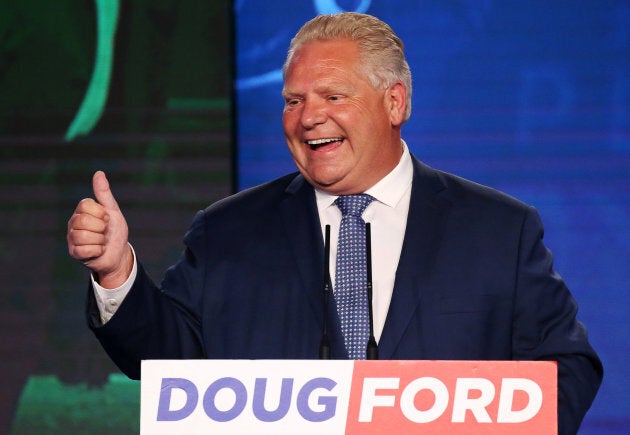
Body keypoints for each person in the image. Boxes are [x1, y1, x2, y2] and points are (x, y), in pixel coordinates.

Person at [67, 12, 602, 434]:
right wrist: (117, 274)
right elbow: (168, 365)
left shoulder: (498, 231)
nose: (307, 117)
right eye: (293, 100)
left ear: (395, 103)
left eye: (333, 96)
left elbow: (567, 367)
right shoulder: (227, 231)